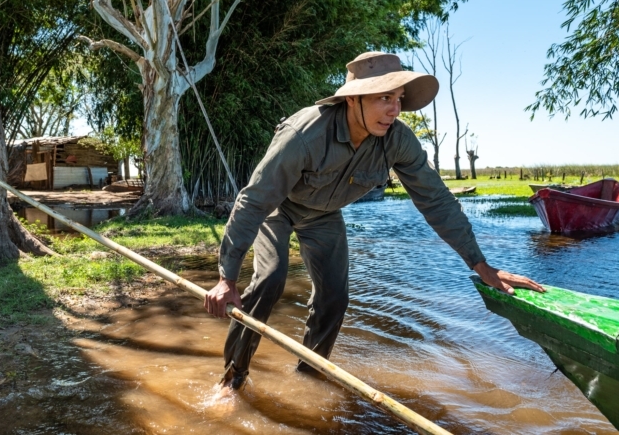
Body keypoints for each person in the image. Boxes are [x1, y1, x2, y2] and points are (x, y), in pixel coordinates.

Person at [204, 52, 544, 391]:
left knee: (335, 296)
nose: (394, 110)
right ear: (353, 99)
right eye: (384, 98)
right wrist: (226, 278)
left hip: (323, 215)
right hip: (280, 207)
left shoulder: (397, 140)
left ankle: (311, 376)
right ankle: (234, 376)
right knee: (270, 279)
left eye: (398, 99)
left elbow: (436, 200)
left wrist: (481, 264)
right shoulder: (305, 133)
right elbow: (253, 201)